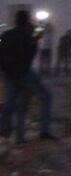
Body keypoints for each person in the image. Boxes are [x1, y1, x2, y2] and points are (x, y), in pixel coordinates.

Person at [0, 10, 57, 143]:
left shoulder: (6, 35)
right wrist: (37, 35)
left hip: (9, 75)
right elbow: (30, 55)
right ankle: (43, 131)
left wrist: (5, 71)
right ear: (26, 21)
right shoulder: (26, 36)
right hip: (24, 75)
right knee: (44, 98)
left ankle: (4, 132)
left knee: (10, 104)